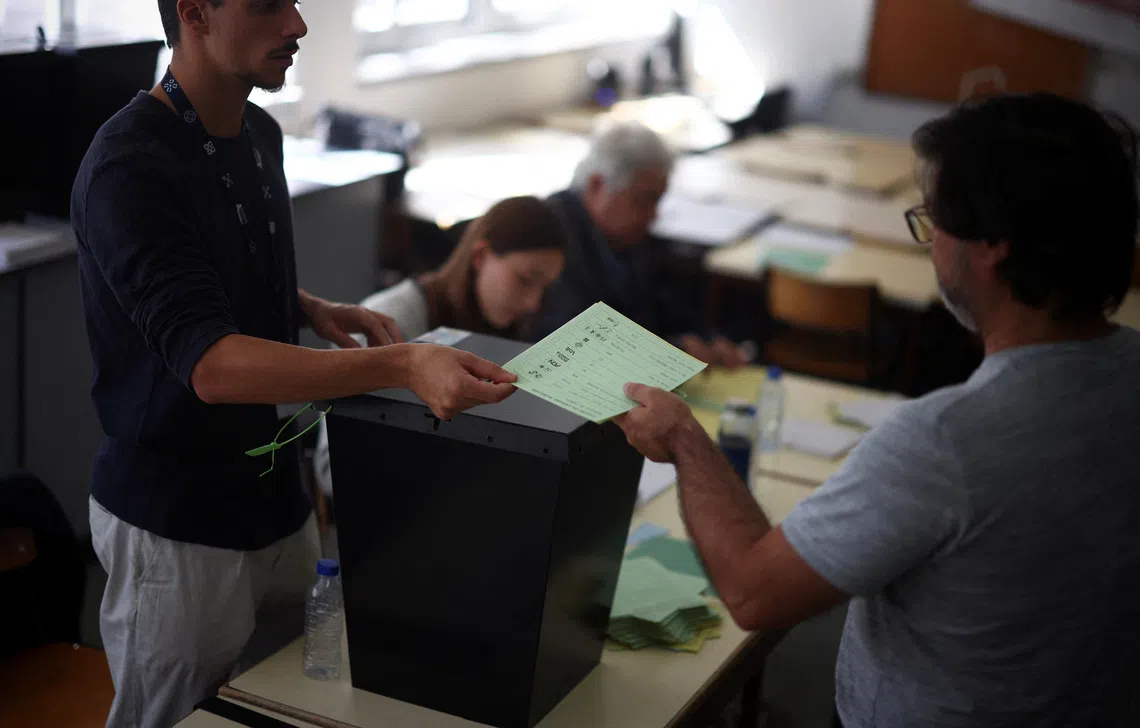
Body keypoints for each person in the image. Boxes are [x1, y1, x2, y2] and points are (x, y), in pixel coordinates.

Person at [71, 0, 515, 726]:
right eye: (270, 3)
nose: (300, 25)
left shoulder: (257, 131)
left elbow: (214, 273)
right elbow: (212, 365)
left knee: (285, 707)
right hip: (177, 525)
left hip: (274, 500)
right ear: (194, 15)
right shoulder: (130, 166)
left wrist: (307, 307)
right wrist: (403, 362)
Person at [613, 94, 1140, 727]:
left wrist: (683, 438)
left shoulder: (945, 442)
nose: (929, 244)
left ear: (994, 245)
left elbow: (754, 592)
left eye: (932, 220)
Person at [313, 195, 567, 495]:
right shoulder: (387, 321)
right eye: (526, 280)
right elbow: (332, 468)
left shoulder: (509, 328)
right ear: (481, 256)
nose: (533, 303)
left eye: (544, 288)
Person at [533, 122, 749, 367]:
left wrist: (706, 339)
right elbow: (575, 342)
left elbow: (666, 306)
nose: (654, 215)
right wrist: (672, 351)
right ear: (597, 185)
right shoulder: (549, 238)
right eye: (644, 200)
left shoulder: (628, 235)